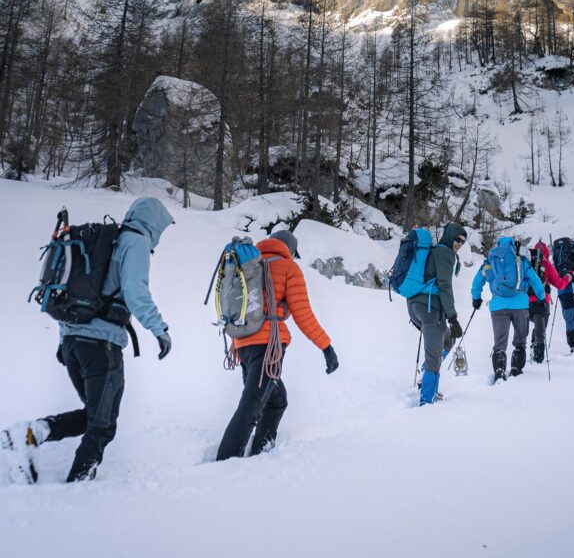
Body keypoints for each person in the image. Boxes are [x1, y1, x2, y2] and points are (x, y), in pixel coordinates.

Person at [1, 197, 174, 484]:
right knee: (102, 424)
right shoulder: (136, 242)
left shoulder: (110, 240)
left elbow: (80, 293)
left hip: (73, 341)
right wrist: (159, 330)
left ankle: (32, 434)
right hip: (101, 345)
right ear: (154, 222)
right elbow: (135, 291)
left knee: (96, 415)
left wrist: (64, 340)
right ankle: (77, 488)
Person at [216, 229, 338, 460]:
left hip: (243, 342)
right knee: (252, 406)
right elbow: (303, 314)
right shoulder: (288, 267)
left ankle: (261, 454)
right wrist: (326, 347)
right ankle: (224, 462)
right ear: (289, 249)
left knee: (276, 400)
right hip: (269, 345)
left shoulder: (252, 264)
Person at [407, 222, 467, 405]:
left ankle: (425, 375)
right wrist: (453, 317)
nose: (459, 244)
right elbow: (445, 286)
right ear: (450, 236)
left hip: (415, 307)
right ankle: (427, 400)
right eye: (457, 239)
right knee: (434, 357)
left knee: (447, 339)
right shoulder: (445, 253)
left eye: (463, 242)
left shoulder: (434, 250)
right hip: (430, 309)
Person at [472, 235, 546, 380]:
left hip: (498, 306)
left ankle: (499, 371)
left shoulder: (489, 262)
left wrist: (476, 298)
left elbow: (477, 281)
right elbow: (535, 280)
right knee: (520, 340)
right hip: (520, 305)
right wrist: (541, 298)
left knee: (500, 342)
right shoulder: (521, 261)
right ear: (513, 246)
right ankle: (516, 369)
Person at [527, 240, 574, 364]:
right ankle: (537, 358)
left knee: (533, 329)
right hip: (541, 302)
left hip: (525, 302)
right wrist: (568, 277)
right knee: (540, 332)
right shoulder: (546, 263)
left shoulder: (526, 262)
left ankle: (528, 349)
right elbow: (560, 284)